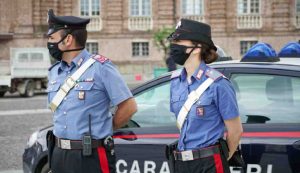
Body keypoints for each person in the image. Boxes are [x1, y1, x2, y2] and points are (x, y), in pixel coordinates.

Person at [46, 9, 137, 173]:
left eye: (52, 38)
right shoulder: (54, 72)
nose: (49, 43)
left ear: (68, 39)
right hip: (59, 154)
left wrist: (105, 128)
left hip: (90, 155)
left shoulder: (101, 68)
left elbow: (129, 106)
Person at [167, 19, 243, 173]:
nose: (173, 45)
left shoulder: (218, 84)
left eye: (179, 40)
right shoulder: (175, 82)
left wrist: (220, 159)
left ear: (196, 48)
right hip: (180, 162)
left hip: (209, 163)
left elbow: (236, 131)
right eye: (173, 40)